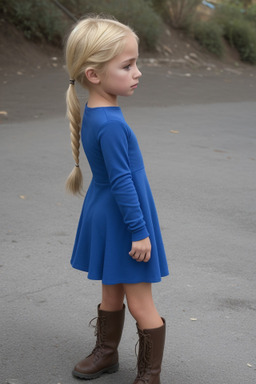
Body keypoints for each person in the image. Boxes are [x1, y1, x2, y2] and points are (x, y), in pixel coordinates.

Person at [65, 16, 169, 383]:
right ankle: (113, 356)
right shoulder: (109, 122)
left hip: (111, 214)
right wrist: (140, 232)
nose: (137, 72)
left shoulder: (96, 110)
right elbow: (123, 182)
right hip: (125, 220)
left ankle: (136, 367)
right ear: (93, 74)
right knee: (137, 302)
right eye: (127, 65)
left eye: (135, 63)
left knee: (115, 292)